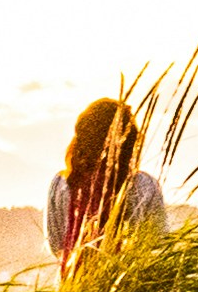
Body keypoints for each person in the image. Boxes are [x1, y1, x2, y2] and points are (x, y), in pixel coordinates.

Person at [45, 97, 170, 261]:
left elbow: (56, 245)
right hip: (134, 282)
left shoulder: (61, 183)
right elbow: (159, 242)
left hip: (75, 283)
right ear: (130, 140)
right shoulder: (145, 185)